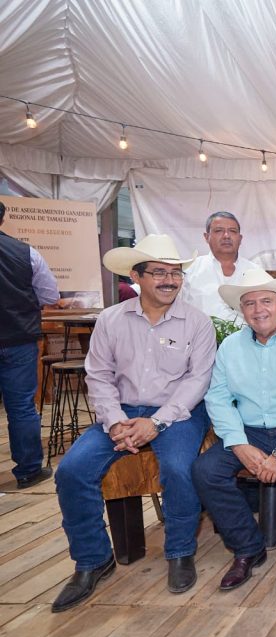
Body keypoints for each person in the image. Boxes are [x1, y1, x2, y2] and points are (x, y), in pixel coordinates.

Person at [52, 235, 215, 612]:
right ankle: (92, 559)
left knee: (179, 469)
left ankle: (180, 551)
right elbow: (98, 376)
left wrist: (156, 422)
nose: (169, 280)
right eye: (159, 272)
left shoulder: (197, 323)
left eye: (175, 273)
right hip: (121, 412)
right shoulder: (111, 320)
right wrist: (114, 423)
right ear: (136, 276)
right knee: (72, 471)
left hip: (178, 412)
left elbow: (197, 381)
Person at [193, 269, 276, 592]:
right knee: (205, 471)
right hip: (250, 429)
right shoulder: (230, 347)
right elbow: (217, 397)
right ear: (242, 310)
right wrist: (238, 444)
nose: (259, 310)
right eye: (250, 303)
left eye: (266, 301)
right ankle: (247, 547)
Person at [0, 200, 60, 489]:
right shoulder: (27, 253)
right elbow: (50, 295)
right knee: (22, 407)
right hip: (18, 337)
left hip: (19, 337)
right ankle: (27, 471)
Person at [179, 211, 259, 323]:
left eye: (232, 231)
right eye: (219, 231)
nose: (226, 236)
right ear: (206, 237)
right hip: (197, 334)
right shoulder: (189, 270)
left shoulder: (255, 272)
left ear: (240, 238)